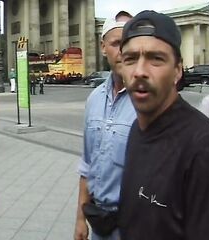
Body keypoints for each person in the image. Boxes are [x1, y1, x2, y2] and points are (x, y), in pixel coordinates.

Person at [119, 10, 209, 240]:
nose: (140, 71)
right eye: (130, 59)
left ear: (178, 71)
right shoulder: (135, 131)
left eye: (156, 58)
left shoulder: (203, 148)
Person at [74, 11, 135, 240]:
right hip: (99, 221)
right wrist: (80, 218)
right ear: (103, 47)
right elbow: (87, 166)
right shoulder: (95, 99)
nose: (123, 51)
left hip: (133, 224)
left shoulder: (147, 99)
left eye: (128, 43)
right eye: (116, 43)